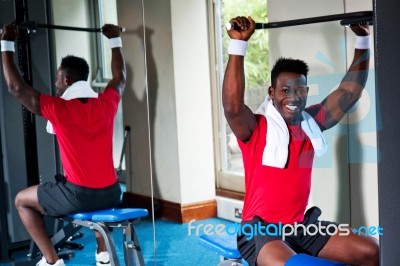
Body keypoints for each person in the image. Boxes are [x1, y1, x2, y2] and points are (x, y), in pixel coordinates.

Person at [222, 16, 379, 266]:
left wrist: (363, 39)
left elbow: (350, 92)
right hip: (260, 232)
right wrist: (238, 46)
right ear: (272, 93)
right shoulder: (256, 127)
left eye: (300, 90)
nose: (293, 97)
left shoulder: (312, 123)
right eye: (285, 90)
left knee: (371, 251)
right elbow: (232, 107)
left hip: (301, 228)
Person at [1, 23, 125, 266]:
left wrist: (6, 42)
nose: (56, 85)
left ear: (67, 79)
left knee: (21, 200)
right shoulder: (106, 103)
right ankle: (103, 254)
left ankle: (51, 261)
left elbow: (16, 88)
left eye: (58, 79)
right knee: (93, 191)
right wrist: (115, 40)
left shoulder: (59, 108)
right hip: (113, 193)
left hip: (79, 196)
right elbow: (120, 78)